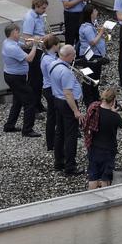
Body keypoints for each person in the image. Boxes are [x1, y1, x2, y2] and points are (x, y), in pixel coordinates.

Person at [48, 45, 84, 176]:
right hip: (67, 103)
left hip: (57, 100)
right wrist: (76, 111)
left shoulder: (52, 64)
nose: (74, 58)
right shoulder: (65, 72)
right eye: (73, 56)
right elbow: (68, 93)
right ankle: (70, 166)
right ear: (68, 56)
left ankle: (59, 162)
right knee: (70, 136)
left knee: (60, 133)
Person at [82, 87, 122, 189]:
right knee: (105, 178)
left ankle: (91, 197)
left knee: (93, 175)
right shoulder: (114, 117)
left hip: (93, 147)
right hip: (108, 150)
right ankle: (105, 200)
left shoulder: (94, 109)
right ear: (113, 101)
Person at [0, 23, 40, 137]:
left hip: (14, 76)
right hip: (16, 78)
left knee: (17, 101)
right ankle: (27, 130)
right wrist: (35, 45)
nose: (20, 34)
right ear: (13, 33)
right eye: (18, 32)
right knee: (30, 101)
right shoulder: (11, 47)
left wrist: (31, 42)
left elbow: (24, 46)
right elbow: (29, 58)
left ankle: (9, 126)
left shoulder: (9, 42)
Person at [22, 0, 49, 111]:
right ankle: (33, 107)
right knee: (34, 80)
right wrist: (43, 38)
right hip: (33, 50)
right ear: (36, 6)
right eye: (43, 8)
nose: (45, 10)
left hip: (39, 48)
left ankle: (38, 104)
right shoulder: (30, 18)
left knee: (40, 80)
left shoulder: (40, 16)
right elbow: (27, 39)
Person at [77, 6, 107, 106]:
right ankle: (89, 100)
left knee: (96, 76)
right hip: (89, 57)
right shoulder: (87, 27)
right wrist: (101, 32)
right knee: (89, 78)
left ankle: (95, 96)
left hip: (96, 55)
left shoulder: (93, 24)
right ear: (90, 13)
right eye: (95, 10)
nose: (97, 12)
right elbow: (92, 42)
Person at [40, 35, 61, 150]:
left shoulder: (48, 55)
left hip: (49, 88)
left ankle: (51, 143)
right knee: (53, 117)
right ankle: (52, 143)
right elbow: (55, 75)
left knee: (52, 116)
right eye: (58, 45)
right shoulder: (49, 60)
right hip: (51, 89)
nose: (59, 46)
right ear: (53, 46)